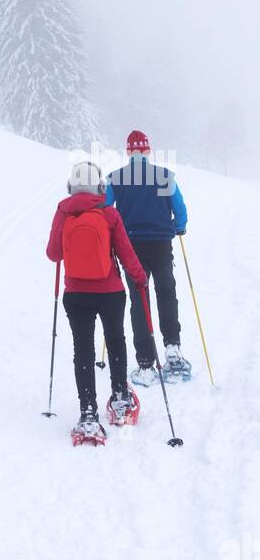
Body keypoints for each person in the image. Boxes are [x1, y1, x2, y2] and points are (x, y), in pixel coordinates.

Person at [46, 160, 148, 443]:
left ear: (71, 186)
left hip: (76, 294)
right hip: (110, 292)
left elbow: (53, 254)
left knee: (83, 349)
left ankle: (88, 414)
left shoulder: (63, 211)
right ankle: (120, 400)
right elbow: (126, 253)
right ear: (99, 186)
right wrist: (140, 278)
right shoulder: (108, 214)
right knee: (115, 340)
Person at [105, 129, 190, 386]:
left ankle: (145, 363)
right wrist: (179, 226)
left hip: (131, 247)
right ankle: (172, 348)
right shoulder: (164, 175)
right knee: (166, 292)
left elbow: (106, 210)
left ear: (129, 152)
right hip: (161, 244)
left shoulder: (116, 178)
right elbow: (180, 207)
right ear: (148, 151)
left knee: (139, 299)